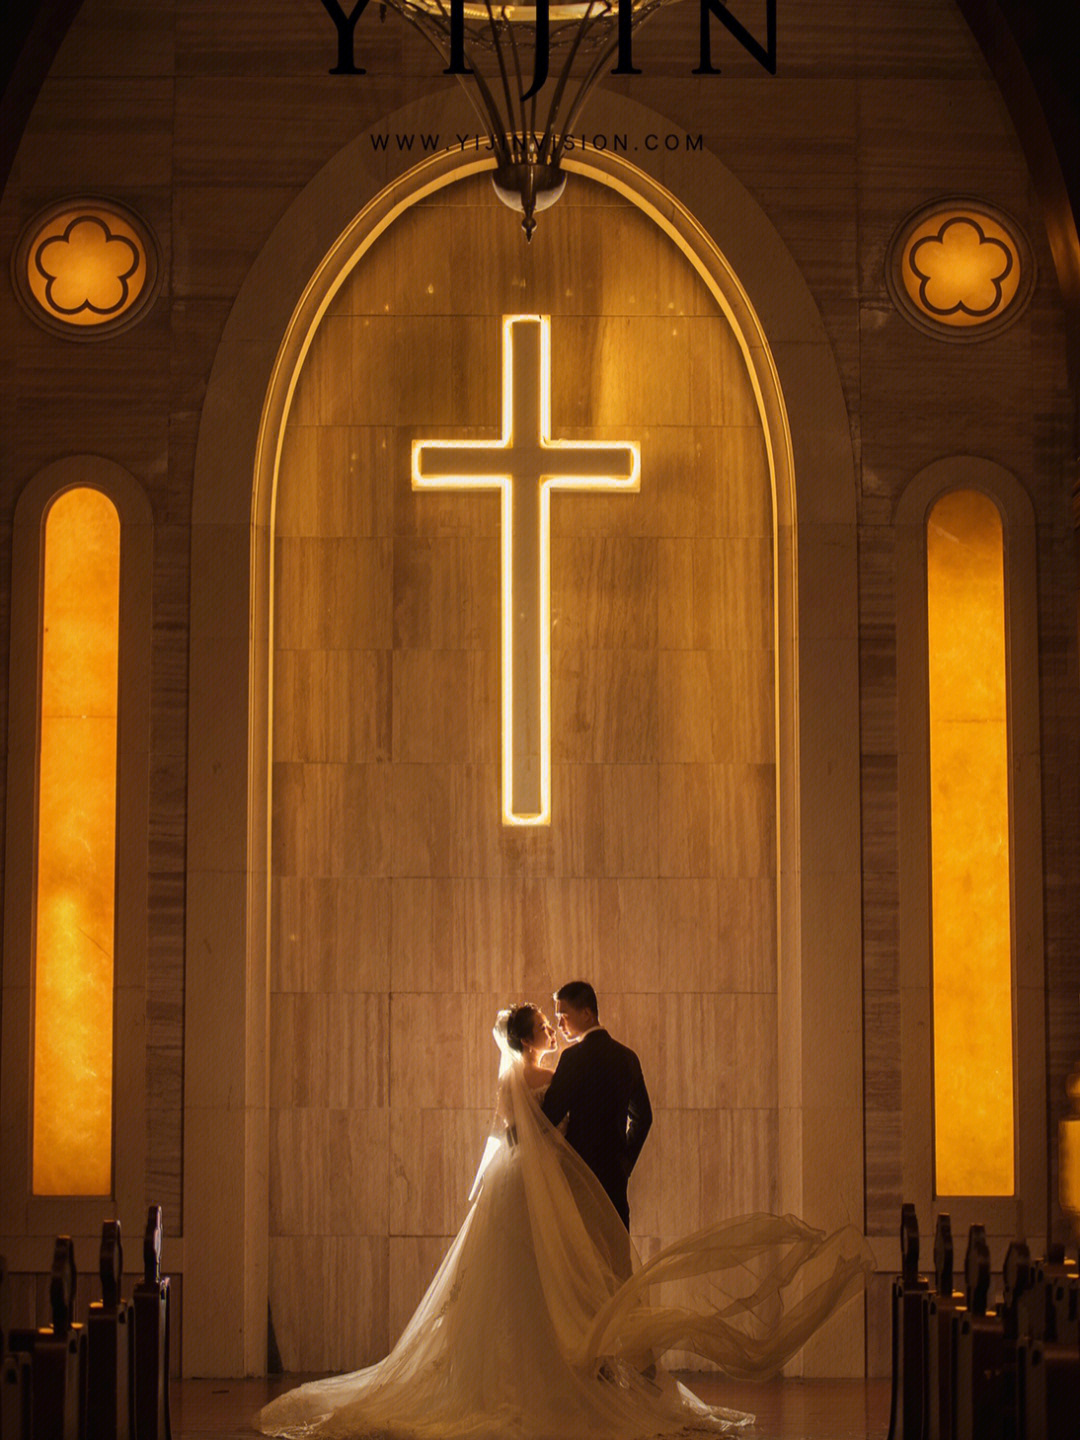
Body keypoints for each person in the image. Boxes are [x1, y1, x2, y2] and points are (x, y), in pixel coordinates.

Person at [257, 1003, 873, 1439]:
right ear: (532, 1037)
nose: (554, 1029)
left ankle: (519, 1377)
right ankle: (565, 1378)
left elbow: (519, 1131)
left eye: (557, 1019)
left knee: (515, 1286)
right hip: (543, 1188)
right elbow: (578, 1122)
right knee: (558, 1281)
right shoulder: (551, 1072)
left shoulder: (520, 1078)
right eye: (545, 1025)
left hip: (513, 1185)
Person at [541, 980, 651, 1234]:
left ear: (587, 1013)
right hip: (614, 1176)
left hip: (577, 1174)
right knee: (615, 1257)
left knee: (582, 1259)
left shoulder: (573, 1058)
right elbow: (643, 1117)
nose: (559, 1025)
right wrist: (625, 1162)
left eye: (563, 1016)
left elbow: (550, 1116)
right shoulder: (627, 1057)